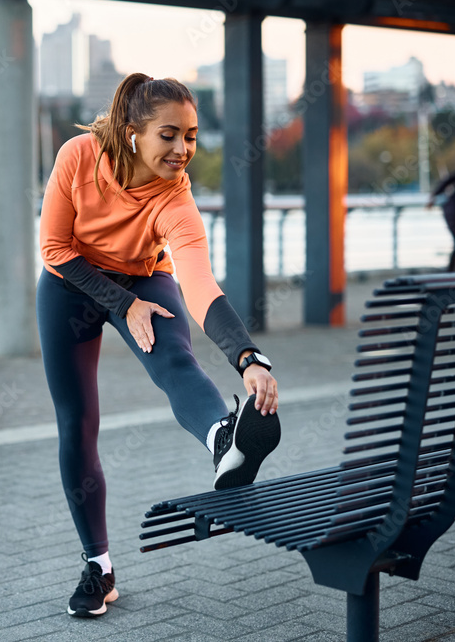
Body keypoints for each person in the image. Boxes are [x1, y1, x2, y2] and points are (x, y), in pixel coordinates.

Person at [36, 73, 281, 618]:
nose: (182, 149)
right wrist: (121, 303)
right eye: (169, 135)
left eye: (191, 137)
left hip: (144, 277)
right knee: (77, 421)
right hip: (68, 283)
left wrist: (248, 358)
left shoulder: (176, 196)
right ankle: (98, 566)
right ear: (133, 134)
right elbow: (54, 247)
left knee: (175, 360)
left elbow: (199, 285)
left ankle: (224, 440)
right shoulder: (78, 156)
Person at [427, 163, 455, 272]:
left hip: (454, 213)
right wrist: (434, 195)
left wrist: (434, 195)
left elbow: (448, 180)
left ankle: (452, 273)